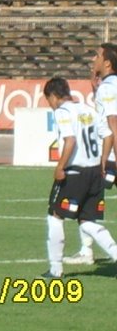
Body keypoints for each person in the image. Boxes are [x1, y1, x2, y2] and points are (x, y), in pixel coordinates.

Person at [42, 76, 117, 279]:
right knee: (87, 221)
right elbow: (108, 135)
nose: (49, 104)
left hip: (74, 173)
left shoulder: (63, 112)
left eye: (48, 99)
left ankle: (55, 269)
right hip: (94, 172)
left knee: (55, 216)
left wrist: (60, 166)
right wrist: (103, 161)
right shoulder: (88, 110)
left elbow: (70, 140)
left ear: (54, 96)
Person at [65, 44, 117, 265]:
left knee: (84, 197)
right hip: (108, 152)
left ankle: (87, 251)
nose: (93, 58)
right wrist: (94, 86)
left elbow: (113, 121)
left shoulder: (108, 88)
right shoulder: (107, 86)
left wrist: (112, 156)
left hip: (111, 154)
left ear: (107, 63)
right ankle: (86, 250)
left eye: (97, 55)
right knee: (87, 197)